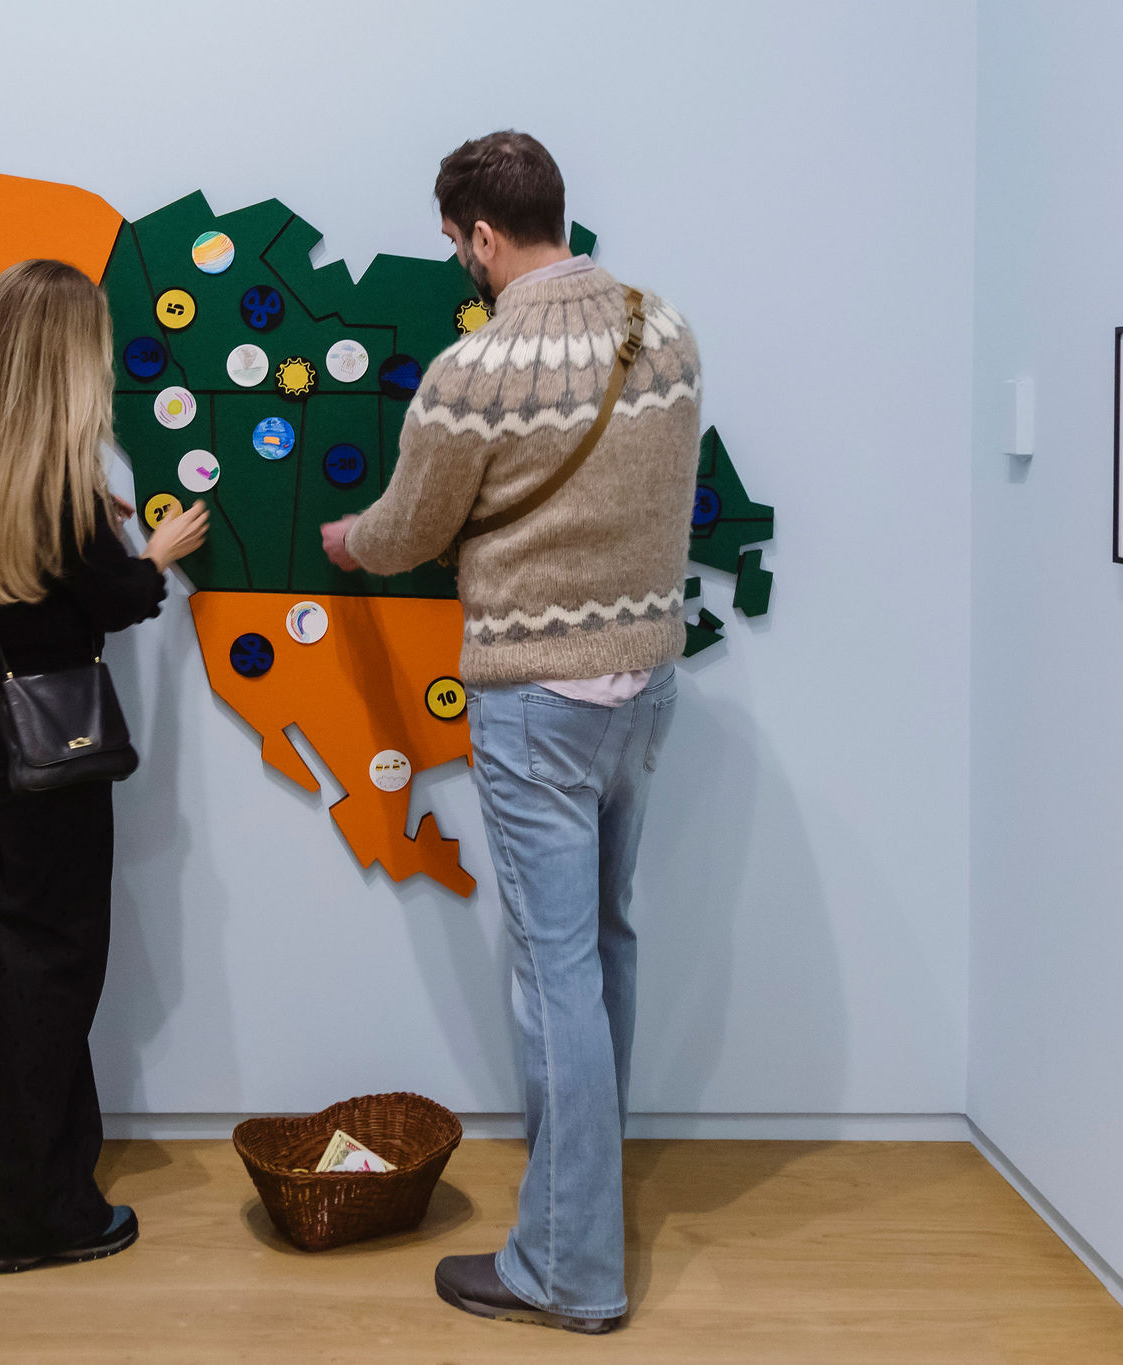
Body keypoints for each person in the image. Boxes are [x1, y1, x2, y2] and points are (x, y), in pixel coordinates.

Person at [322, 131, 701, 1334]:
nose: (460, 264)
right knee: (605, 945)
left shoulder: (472, 371)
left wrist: (347, 541)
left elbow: (407, 529)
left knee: (555, 978)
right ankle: (582, 1209)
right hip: (643, 685)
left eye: (456, 244)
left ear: (481, 235)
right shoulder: (663, 330)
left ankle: (568, 1270)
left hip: (536, 698)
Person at [0, 258, 208, 1273]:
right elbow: (114, 599)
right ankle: (37, 1213)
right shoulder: (63, 474)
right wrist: (154, 553)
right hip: (40, 722)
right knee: (49, 948)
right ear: (73, 359)